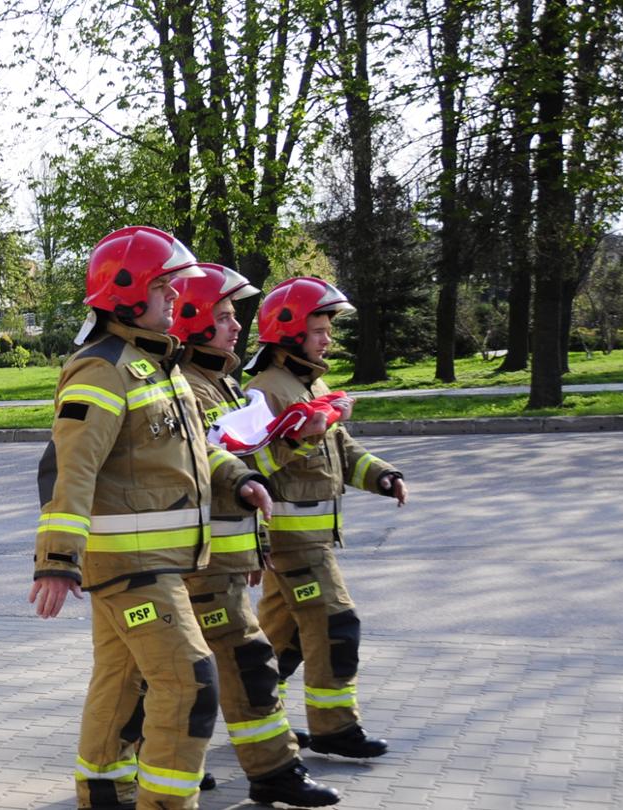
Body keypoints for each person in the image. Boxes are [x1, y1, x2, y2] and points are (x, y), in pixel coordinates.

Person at [29, 226, 270, 810]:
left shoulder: (157, 366)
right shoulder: (101, 369)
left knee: (121, 680)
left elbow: (194, 448)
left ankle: (104, 792)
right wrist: (57, 561)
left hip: (158, 561)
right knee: (190, 681)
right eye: (164, 287)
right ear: (129, 291)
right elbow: (72, 469)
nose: (176, 298)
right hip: (130, 564)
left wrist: (238, 478)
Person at [168, 266, 340, 806]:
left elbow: (249, 468)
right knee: (243, 662)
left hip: (225, 554)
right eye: (224, 316)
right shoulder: (191, 387)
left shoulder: (220, 382)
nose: (237, 326)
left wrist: (256, 545)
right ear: (193, 321)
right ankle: (272, 770)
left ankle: (170, 760)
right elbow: (212, 474)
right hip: (204, 558)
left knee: (190, 667)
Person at [243, 277, 407, 761]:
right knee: (336, 624)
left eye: (327, 331)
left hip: (309, 541)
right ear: (290, 333)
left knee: (281, 639)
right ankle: (335, 727)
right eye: (318, 331)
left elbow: (342, 450)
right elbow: (251, 464)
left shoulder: (310, 384)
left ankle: (252, 716)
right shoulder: (265, 391)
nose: (327, 340)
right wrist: (302, 438)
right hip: (291, 542)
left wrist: (382, 476)